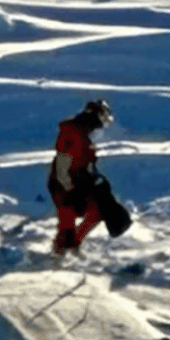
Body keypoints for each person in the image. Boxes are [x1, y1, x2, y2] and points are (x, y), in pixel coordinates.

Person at [47, 99, 114, 255]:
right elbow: (62, 165)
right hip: (63, 185)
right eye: (103, 120)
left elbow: (86, 162)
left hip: (79, 182)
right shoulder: (72, 133)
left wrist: (97, 180)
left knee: (98, 212)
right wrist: (69, 189)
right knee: (67, 224)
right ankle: (60, 253)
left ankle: (72, 245)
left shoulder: (85, 135)